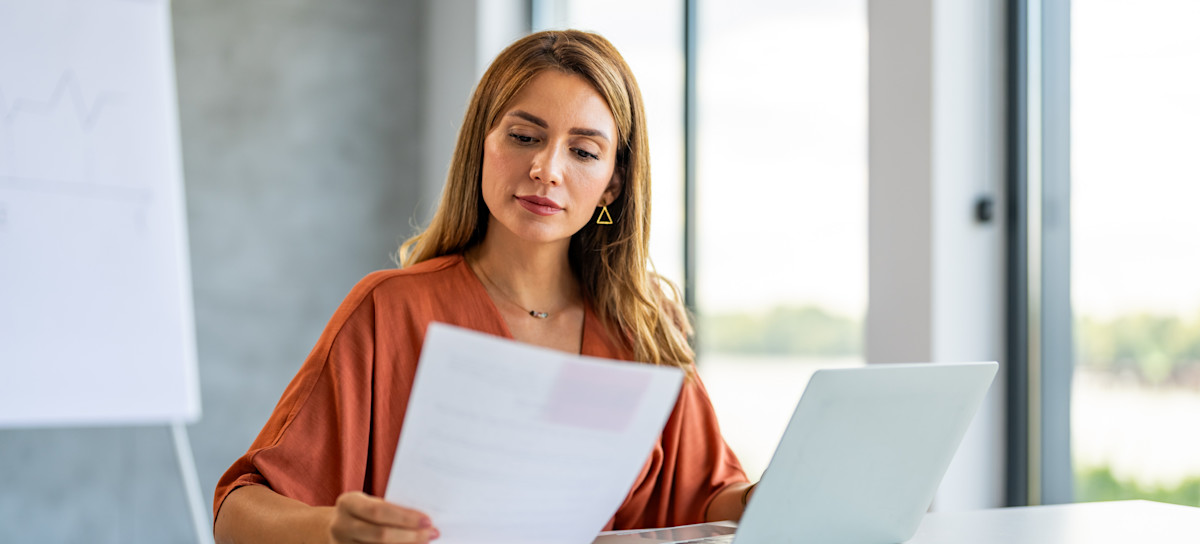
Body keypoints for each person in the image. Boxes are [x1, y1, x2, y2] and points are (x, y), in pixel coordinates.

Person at [212, 29, 753, 544]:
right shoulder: (390, 311)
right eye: (524, 137)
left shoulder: (642, 327)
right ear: (482, 144)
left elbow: (713, 501)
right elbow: (237, 510)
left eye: (583, 152)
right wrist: (331, 531)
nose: (546, 168)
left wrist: (800, 478)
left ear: (612, 183)